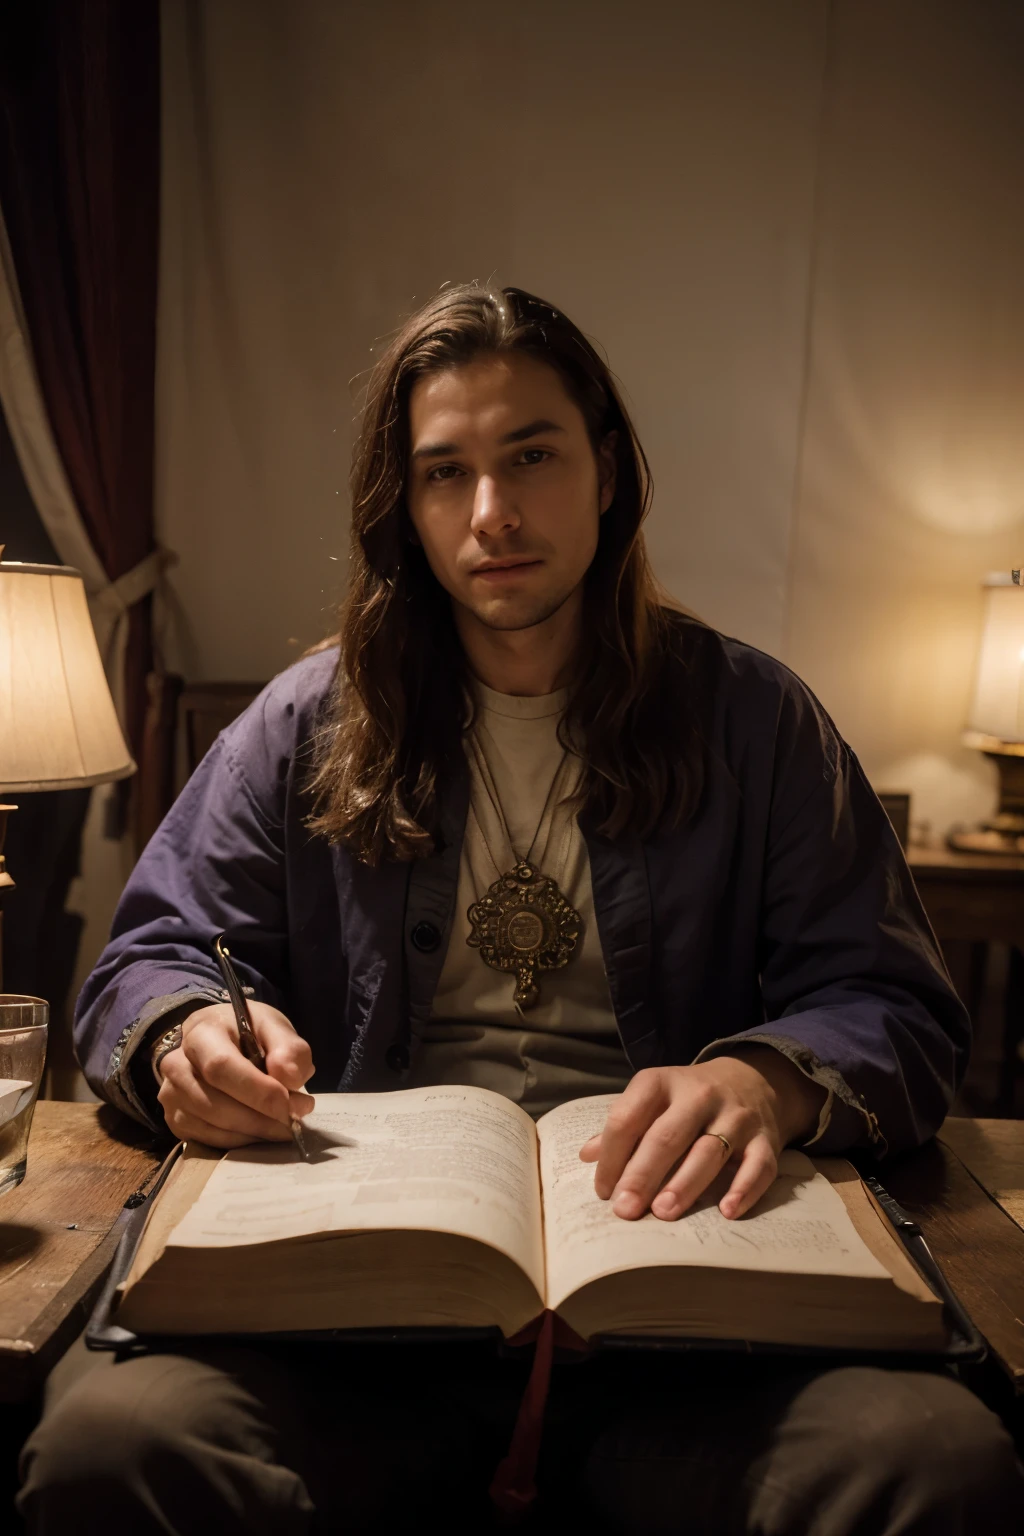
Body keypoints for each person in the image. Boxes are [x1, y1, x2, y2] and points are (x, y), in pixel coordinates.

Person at [19, 285, 1023, 1533]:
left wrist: (771, 1079)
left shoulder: (758, 724)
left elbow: (896, 1007)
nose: (490, 514)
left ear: (608, 472)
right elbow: (150, 956)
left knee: (931, 1464)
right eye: (445, 473)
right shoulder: (299, 728)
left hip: (697, 1327)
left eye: (531, 456)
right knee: (112, 1441)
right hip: (348, 1317)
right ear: (409, 508)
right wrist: (183, 1037)